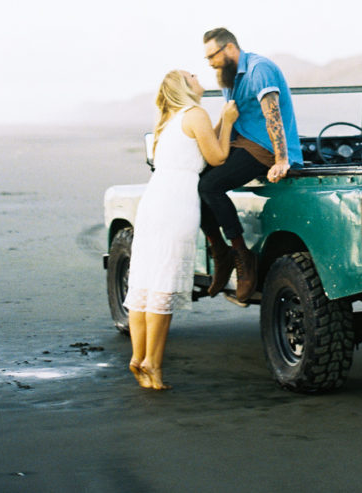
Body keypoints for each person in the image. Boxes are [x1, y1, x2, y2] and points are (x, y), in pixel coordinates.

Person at [125, 70, 237, 390]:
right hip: (178, 202)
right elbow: (216, 156)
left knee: (146, 280)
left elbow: (200, 147)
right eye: (193, 76)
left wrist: (217, 126)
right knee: (165, 282)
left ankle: (138, 356)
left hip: (154, 199)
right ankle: (153, 365)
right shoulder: (196, 113)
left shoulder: (169, 119)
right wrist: (227, 121)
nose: (199, 77)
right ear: (185, 87)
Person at [199, 27, 302, 306]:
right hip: (241, 143)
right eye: (206, 58)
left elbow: (273, 116)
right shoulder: (228, 76)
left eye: (212, 56)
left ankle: (242, 254)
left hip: (265, 148)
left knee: (210, 185)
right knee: (192, 185)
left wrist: (282, 160)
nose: (209, 63)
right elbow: (231, 118)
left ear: (229, 48)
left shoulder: (259, 69)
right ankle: (220, 252)